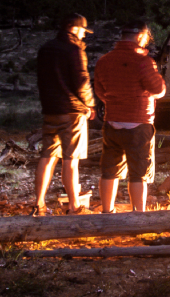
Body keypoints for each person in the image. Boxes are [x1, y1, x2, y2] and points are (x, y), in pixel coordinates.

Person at [92, 22, 166, 212]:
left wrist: (114, 101)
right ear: (141, 37)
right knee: (138, 173)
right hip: (139, 122)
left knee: (109, 170)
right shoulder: (143, 61)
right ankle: (138, 215)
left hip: (112, 121)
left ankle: (107, 211)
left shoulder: (104, 61)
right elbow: (158, 89)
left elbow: (100, 90)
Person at [34, 13, 95, 215]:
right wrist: (90, 104)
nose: (84, 36)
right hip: (72, 111)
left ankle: (39, 203)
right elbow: (82, 81)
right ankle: (74, 206)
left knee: (47, 155)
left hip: (50, 109)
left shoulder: (45, 49)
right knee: (71, 159)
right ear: (73, 28)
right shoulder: (74, 50)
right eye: (82, 31)